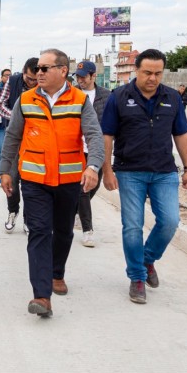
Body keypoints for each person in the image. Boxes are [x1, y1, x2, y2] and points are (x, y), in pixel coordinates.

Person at [0, 49, 103, 318]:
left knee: (64, 231)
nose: (39, 73)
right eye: (37, 69)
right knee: (39, 232)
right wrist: (5, 171)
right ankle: (41, 295)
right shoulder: (25, 99)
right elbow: (12, 138)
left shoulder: (79, 100)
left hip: (69, 180)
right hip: (34, 180)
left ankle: (58, 273)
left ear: (62, 71)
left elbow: (94, 135)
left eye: (45, 68)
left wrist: (93, 167)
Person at [100, 48, 187, 305]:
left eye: (157, 73)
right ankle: (137, 278)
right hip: (130, 171)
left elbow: (181, 134)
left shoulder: (173, 98)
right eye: (147, 72)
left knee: (170, 222)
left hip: (164, 172)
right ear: (136, 71)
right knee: (132, 226)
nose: (152, 78)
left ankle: (147, 258)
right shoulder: (119, 97)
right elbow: (106, 135)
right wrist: (106, 170)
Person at [0, 57, 39, 233]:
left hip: (35, 140)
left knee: (30, 181)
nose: (32, 83)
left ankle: (29, 219)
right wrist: (17, 116)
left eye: (35, 80)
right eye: (29, 79)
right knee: (12, 178)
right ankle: (12, 211)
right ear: (23, 72)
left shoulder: (43, 84)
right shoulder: (12, 82)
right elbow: (0, 106)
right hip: (14, 137)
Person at [73, 60, 111, 248]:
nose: (80, 79)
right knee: (83, 189)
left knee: (92, 188)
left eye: (83, 76)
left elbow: (112, 122)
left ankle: (75, 213)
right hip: (76, 150)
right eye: (77, 76)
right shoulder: (71, 94)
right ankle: (88, 231)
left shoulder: (106, 96)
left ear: (93, 75)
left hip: (97, 149)